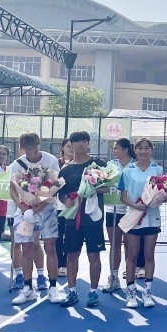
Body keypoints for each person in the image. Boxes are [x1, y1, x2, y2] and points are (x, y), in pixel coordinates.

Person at [8, 132, 62, 305]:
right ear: (22, 148)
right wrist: (21, 205)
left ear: (39, 145)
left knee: (50, 246)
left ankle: (53, 287)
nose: (31, 151)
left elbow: (55, 185)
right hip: (25, 212)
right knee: (26, 247)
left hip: (47, 209)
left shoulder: (51, 160)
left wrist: (42, 204)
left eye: (34, 147)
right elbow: (13, 189)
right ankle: (27, 288)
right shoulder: (16, 164)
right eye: (27, 148)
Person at [58, 131, 108, 307]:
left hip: (93, 218)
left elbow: (107, 188)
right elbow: (61, 195)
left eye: (83, 141)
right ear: (70, 145)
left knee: (94, 255)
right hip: (73, 219)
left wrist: (94, 187)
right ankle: (72, 292)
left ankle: (93, 292)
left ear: (88, 143)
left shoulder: (98, 164)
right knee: (72, 255)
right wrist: (67, 200)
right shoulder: (66, 169)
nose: (80, 144)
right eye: (76, 141)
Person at [119, 138, 162, 309]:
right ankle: (130, 293)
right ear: (135, 150)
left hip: (152, 217)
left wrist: (159, 199)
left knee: (149, 255)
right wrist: (135, 205)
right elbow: (123, 197)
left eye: (147, 148)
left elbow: (161, 193)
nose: (143, 151)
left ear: (151, 150)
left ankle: (147, 293)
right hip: (134, 218)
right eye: (140, 148)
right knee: (132, 255)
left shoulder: (157, 170)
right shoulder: (128, 171)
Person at [103, 138, 135, 293]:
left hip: (130, 210)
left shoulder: (134, 166)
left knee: (130, 245)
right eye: (113, 148)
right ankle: (113, 277)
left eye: (116, 148)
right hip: (112, 209)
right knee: (114, 244)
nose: (114, 151)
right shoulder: (110, 165)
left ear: (126, 150)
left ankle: (130, 278)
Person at [55, 138, 73, 277]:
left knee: (69, 237)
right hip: (57, 206)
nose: (71, 148)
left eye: (72, 146)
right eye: (68, 146)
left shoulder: (78, 164)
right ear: (62, 148)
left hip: (72, 207)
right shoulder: (56, 163)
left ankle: (66, 265)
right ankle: (57, 263)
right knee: (57, 236)